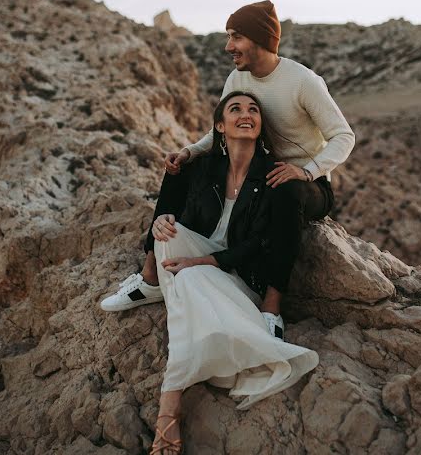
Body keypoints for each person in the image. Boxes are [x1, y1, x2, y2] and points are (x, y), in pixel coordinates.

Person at [101, 0, 355, 341]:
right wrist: (189, 152)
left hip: (306, 186)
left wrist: (306, 171)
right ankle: (150, 276)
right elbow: (219, 127)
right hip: (259, 174)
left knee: (285, 192)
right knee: (182, 169)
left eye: (235, 36)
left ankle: (271, 306)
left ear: (259, 38)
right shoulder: (237, 78)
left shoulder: (302, 81)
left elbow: (343, 136)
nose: (228, 46)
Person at [133, 91, 320, 454]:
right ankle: (196, 312)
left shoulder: (272, 176)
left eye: (254, 110)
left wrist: (208, 263)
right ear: (220, 125)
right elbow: (187, 219)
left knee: (187, 276)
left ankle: (168, 407)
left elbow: (263, 243)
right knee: (168, 238)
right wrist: (163, 223)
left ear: (261, 126)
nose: (246, 114)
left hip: (239, 275)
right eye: (235, 109)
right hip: (203, 265)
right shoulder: (204, 169)